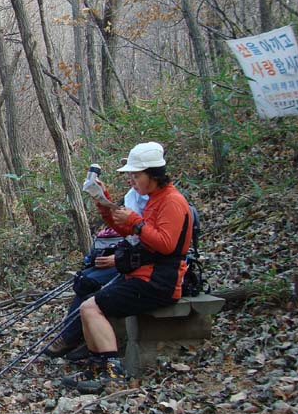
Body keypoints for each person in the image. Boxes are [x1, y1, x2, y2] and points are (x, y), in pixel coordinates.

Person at [60, 142, 193, 393]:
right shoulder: (152, 200)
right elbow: (131, 232)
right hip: (141, 275)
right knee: (88, 305)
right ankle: (100, 368)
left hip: (158, 282)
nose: (131, 179)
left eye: (136, 174)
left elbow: (166, 244)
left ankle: (113, 376)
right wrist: (105, 205)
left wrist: (136, 222)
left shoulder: (172, 201)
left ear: (153, 174)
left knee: (91, 308)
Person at [44, 160, 148, 359]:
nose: (130, 179)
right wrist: (103, 200)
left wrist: (117, 260)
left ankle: (72, 338)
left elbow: (156, 242)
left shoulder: (161, 201)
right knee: (84, 280)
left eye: (135, 175)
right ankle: (81, 339)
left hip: (141, 267)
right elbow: (127, 233)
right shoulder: (132, 197)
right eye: (129, 175)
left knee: (91, 286)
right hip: (128, 258)